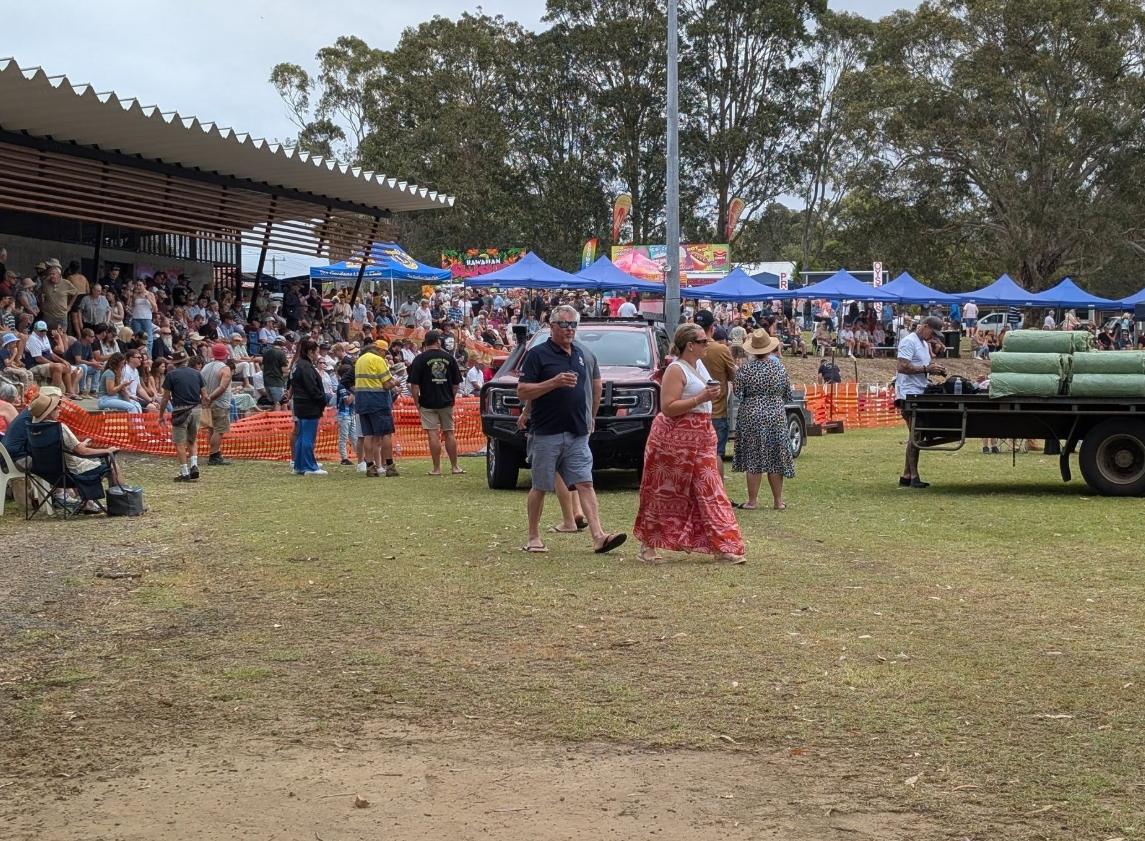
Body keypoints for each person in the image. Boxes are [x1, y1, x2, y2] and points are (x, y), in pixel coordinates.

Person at [516, 304, 626, 555]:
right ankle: (533, 537)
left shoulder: (580, 354)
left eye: (573, 324)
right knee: (540, 486)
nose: (569, 329)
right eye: (564, 324)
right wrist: (553, 383)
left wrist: (591, 417)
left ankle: (599, 536)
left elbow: (595, 388)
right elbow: (523, 391)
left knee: (585, 483)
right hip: (546, 431)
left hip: (577, 432)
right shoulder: (538, 355)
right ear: (552, 326)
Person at [632, 322, 744, 564]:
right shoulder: (676, 369)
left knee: (711, 489)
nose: (707, 344)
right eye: (703, 341)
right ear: (690, 345)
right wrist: (701, 397)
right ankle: (648, 545)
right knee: (663, 490)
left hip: (701, 436)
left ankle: (723, 546)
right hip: (673, 439)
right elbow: (668, 407)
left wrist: (710, 396)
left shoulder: (699, 365)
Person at [28, 390, 125, 513]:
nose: (59, 409)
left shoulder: (33, 429)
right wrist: (107, 450)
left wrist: (81, 444)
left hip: (48, 474)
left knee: (78, 461)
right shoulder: (59, 428)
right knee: (112, 465)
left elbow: (67, 449)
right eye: (56, 407)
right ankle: (121, 505)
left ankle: (88, 503)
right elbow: (82, 452)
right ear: (48, 413)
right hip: (70, 474)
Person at [731, 329, 795, 512]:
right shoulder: (779, 368)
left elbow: (738, 392)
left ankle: (752, 501)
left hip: (751, 415)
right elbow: (787, 394)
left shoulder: (745, 369)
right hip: (775, 415)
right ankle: (778, 501)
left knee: (753, 457)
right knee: (775, 457)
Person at [895, 315, 946, 489]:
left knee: (915, 434)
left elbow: (922, 366)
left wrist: (933, 369)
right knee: (915, 435)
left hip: (919, 391)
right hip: (908, 394)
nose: (933, 336)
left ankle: (906, 475)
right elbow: (902, 367)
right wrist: (926, 369)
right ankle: (914, 476)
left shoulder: (924, 343)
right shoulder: (909, 342)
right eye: (932, 332)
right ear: (924, 326)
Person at [407, 330, 465, 476]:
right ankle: (455, 467)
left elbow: (414, 385)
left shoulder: (419, 359)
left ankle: (436, 468)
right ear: (438, 341)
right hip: (446, 401)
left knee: (432, 434)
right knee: (449, 433)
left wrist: (417, 403)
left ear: (425, 342)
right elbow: (456, 384)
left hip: (427, 402)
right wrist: (451, 397)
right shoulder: (449, 358)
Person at [696, 310, 736, 476]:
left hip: (693, 410)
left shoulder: (689, 348)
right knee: (716, 453)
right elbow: (734, 376)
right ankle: (718, 489)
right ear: (712, 327)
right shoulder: (721, 350)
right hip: (717, 411)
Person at [157, 351, 206, 482]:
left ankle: (184, 472)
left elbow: (165, 398)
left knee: (179, 442)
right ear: (186, 361)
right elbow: (205, 395)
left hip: (180, 411)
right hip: (196, 409)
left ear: (174, 363)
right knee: (192, 439)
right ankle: (194, 465)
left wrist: (161, 415)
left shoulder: (171, 375)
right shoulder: (197, 374)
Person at [354, 339, 399, 477]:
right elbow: (387, 384)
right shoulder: (378, 360)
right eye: (385, 352)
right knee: (386, 433)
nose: (385, 355)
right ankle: (389, 466)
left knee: (368, 434)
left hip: (362, 400)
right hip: (378, 400)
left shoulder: (360, 360)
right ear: (380, 350)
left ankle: (370, 467)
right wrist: (396, 382)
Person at [289, 339, 328, 476]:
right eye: (316, 352)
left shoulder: (297, 364)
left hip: (300, 405)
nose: (318, 354)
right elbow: (311, 388)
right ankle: (309, 467)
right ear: (310, 352)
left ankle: (299, 465)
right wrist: (322, 399)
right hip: (309, 406)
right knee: (307, 437)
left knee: (301, 436)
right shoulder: (305, 367)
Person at [200, 344, 234, 466]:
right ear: (225, 355)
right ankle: (214, 455)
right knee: (219, 430)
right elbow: (222, 387)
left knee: (211, 429)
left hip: (206, 402)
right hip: (219, 403)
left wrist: (205, 397)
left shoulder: (205, 367)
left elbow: (200, 384)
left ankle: (215, 453)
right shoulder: (225, 369)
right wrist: (210, 397)